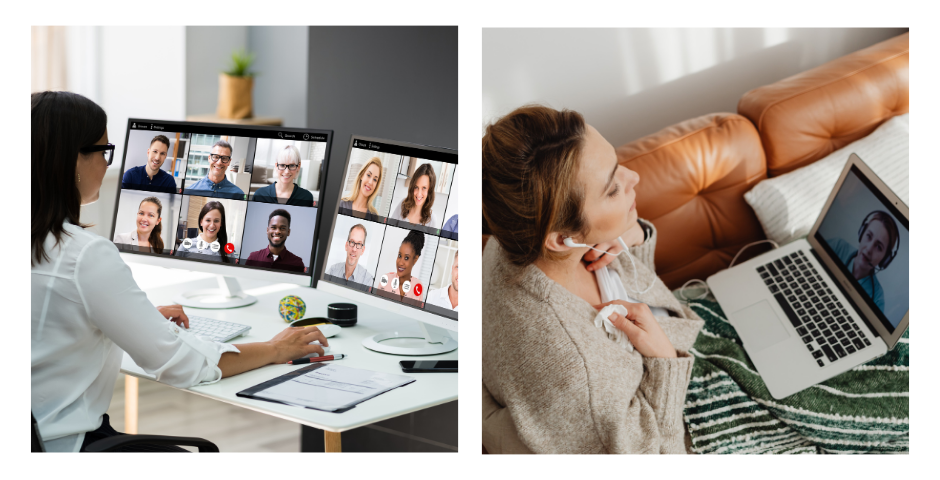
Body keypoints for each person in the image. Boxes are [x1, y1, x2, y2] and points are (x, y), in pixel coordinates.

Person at [31, 91, 329, 452]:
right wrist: (273, 348)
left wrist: (135, 318)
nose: (109, 163)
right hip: (62, 445)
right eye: (103, 151)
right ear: (72, 160)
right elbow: (180, 364)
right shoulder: (86, 255)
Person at [481, 105, 704, 454]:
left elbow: (639, 293)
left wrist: (633, 237)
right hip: (695, 418)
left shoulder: (513, 238)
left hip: (697, 345)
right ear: (560, 237)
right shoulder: (577, 373)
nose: (634, 178)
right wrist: (666, 363)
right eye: (613, 189)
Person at [826, 211, 900, 312]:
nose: (869, 249)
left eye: (878, 247)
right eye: (869, 236)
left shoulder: (877, 297)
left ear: (885, 260)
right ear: (861, 233)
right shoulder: (838, 246)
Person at [244, 209, 306, 273]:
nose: (277, 232)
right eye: (273, 227)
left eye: (282, 228)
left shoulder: (297, 263)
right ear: (267, 230)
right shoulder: (253, 257)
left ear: (288, 232)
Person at [377, 230, 427, 302]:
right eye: (399, 256)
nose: (400, 262)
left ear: (415, 259)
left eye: (406, 258)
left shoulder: (418, 286)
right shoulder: (386, 279)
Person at [325, 224, 375, 290]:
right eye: (352, 242)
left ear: (362, 250)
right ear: (346, 245)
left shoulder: (367, 281)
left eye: (359, 244)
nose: (354, 249)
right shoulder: (332, 271)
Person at [390, 163, 439, 227]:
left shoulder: (432, 220)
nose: (418, 194)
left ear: (429, 190)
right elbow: (389, 229)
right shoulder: (403, 205)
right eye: (416, 187)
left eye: (424, 188)